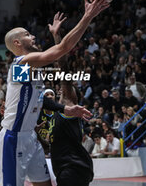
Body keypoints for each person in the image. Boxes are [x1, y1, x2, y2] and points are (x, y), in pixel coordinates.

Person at [0, 0, 109, 186]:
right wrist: (88, 16)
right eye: (27, 35)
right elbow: (62, 49)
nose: (32, 36)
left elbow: (40, 99)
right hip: (13, 138)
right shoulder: (22, 63)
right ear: (17, 43)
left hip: (31, 137)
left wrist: (64, 109)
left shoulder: (31, 69)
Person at [48, 19, 94, 186]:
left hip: (72, 168)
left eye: (68, 88)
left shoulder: (68, 105)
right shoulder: (58, 113)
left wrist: (56, 37)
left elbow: (63, 68)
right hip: (68, 168)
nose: (63, 88)